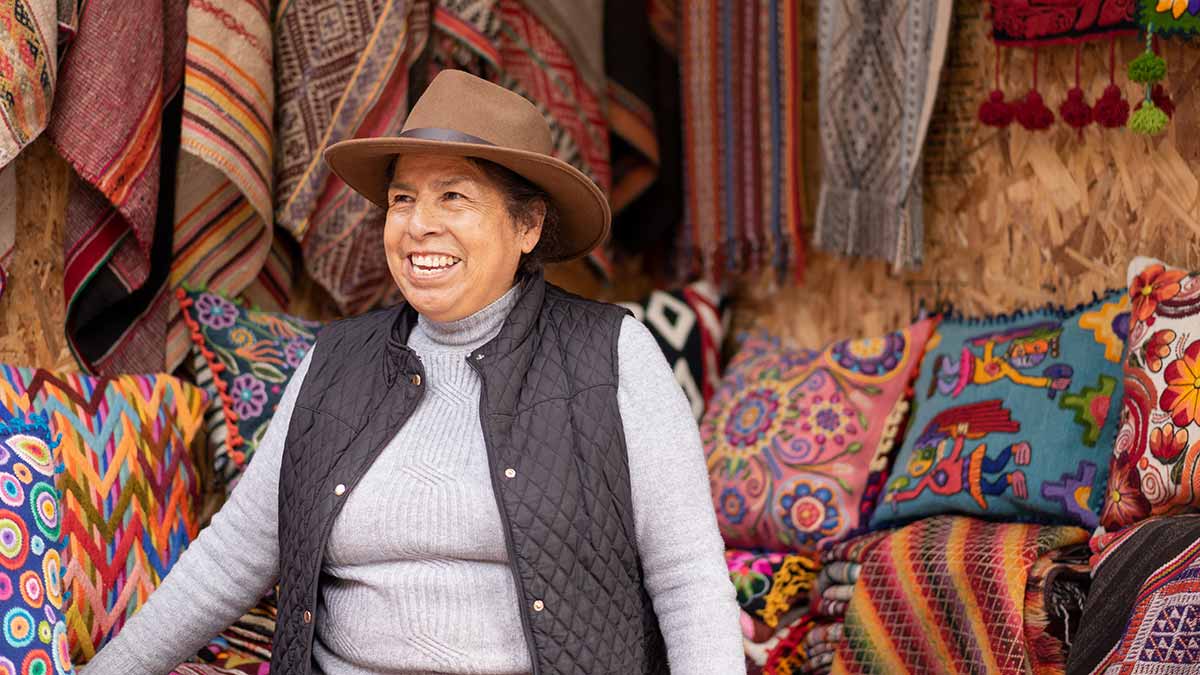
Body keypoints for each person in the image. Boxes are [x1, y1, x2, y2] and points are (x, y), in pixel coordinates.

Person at [81, 70, 743, 674]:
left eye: (453, 197)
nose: (418, 226)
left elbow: (687, 580)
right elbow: (232, 556)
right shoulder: (336, 364)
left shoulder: (613, 356)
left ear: (529, 225)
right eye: (402, 199)